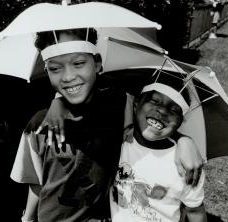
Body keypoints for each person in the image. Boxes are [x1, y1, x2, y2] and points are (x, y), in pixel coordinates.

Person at [11, 27, 204, 222]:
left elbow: (153, 122)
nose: (68, 76)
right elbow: (35, 180)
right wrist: (27, 218)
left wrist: (183, 140)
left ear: (97, 64)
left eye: (78, 63)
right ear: (46, 71)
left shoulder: (120, 107)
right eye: (55, 68)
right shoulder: (39, 125)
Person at [110, 74, 207, 222]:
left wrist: (184, 139)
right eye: (154, 100)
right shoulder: (120, 141)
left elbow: (195, 211)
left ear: (180, 122)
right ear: (136, 105)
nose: (162, 111)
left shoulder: (186, 165)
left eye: (174, 110)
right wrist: (59, 100)